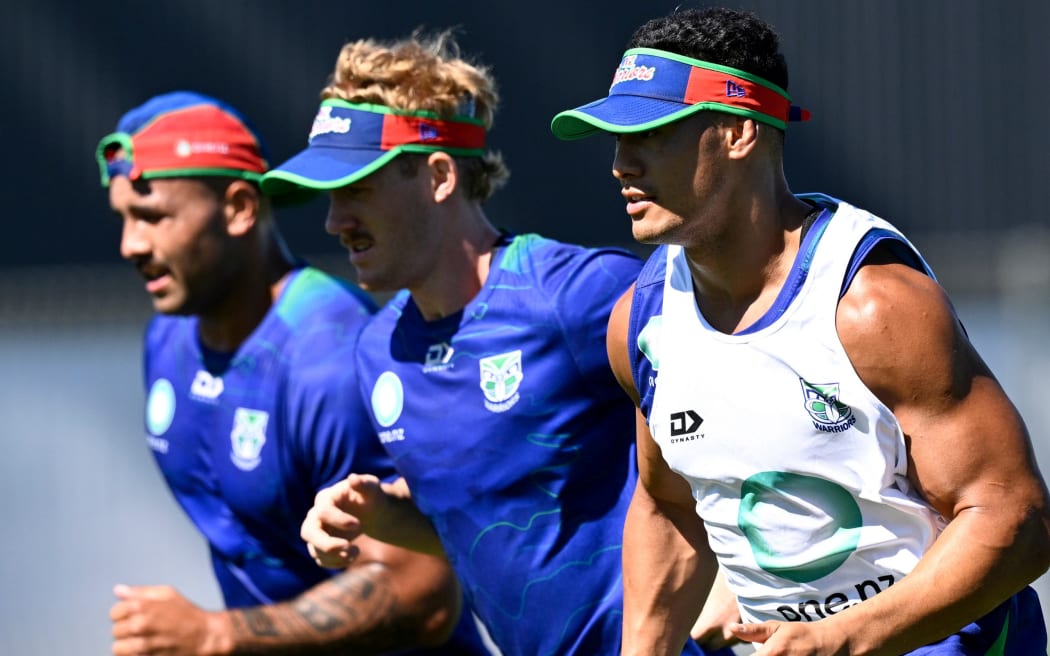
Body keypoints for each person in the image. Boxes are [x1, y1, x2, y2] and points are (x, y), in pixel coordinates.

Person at [550, 6, 1050, 655]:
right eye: (616, 141)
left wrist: (840, 638)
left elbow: (1016, 518)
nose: (622, 164)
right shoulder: (640, 322)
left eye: (651, 134)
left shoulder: (873, 305)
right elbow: (670, 503)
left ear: (738, 132)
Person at [262, 31, 736, 656]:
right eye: (330, 198)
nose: (333, 222)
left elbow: (745, 405)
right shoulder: (379, 350)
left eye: (358, 189)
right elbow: (486, 521)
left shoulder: (573, 294)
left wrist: (739, 575)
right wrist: (381, 514)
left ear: (437, 176)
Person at [96, 91, 490, 655]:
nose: (131, 245)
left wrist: (216, 634)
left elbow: (422, 590)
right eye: (124, 219)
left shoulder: (328, 362)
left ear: (238, 208)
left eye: (153, 217)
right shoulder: (168, 339)